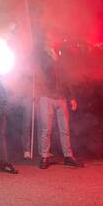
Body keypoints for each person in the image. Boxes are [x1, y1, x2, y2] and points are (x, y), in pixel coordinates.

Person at [36, 40, 83, 170]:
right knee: (46, 128)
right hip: (47, 96)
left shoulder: (60, 59)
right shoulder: (42, 57)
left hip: (61, 97)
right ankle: (44, 156)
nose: (52, 45)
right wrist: (51, 58)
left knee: (65, 128)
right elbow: (41, 72)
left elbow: (67, 79)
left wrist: (72, 97)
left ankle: (68, 156)